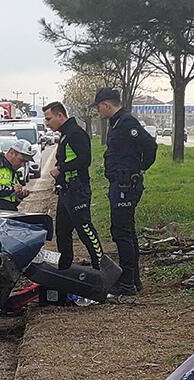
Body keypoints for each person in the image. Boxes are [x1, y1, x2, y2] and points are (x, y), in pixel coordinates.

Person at [92, 88, 158, 296]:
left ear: (107, 105)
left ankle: (127, 282)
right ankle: (133, 280)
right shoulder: (117, 123)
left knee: (122, 232)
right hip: (120, 185)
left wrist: (139, 169)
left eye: (98, 107)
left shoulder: (127, 123)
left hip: (125, 186)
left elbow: (150, 147)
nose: (98, 111)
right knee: (126, 231)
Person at [43, 101, 104, 271]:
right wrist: (59, 181)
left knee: (85, 229)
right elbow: (64, 158)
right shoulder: (64, 134)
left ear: (60, 116)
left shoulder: (76, 133)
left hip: (78, 190)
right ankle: (65, 269)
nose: (46, 123)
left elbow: (85, 159)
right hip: (66, 191)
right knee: (62, 231)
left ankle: (101, 265)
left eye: (49, 119)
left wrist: (61, 169)